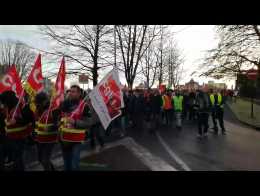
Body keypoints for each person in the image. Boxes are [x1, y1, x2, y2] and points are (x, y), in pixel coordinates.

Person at [59, 85, 93, 171]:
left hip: (76, 139)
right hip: (64, 139)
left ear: (79, 93)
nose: (71, 93)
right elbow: (58, 118)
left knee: (74, 165)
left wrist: (75, 122)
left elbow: (89, 122)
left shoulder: (84, 106)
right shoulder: (64, 104)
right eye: (70, 91)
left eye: (73, 91)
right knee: (66, 165)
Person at [1, 91, 34, 171]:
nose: (3, 103)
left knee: (19, 160)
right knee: (15, 160)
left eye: (4, 101)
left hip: (21, 138)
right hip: (10, 138)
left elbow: (30, 120)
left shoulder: (22, 106)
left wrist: (17, 121)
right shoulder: (8, 108)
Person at [34, 92, 59, 171]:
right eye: (37, 103)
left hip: (50, 140)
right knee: (40, 159)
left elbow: (59, 124)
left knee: (45, 160)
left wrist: (51, 128)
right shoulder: (37, 110)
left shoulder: (53, 110)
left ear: (44, 101)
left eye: (39, 103)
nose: (37, 105)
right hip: (39, 139)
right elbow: (36, 123)